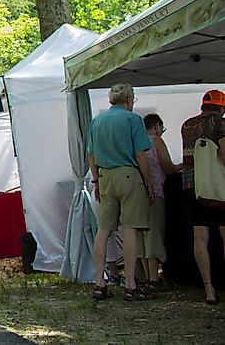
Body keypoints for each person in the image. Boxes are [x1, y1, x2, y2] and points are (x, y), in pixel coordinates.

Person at [88, 83, 155, 302]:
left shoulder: (97, 121)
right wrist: (148, 183)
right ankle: (130, 284)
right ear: (128, 99)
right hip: (128, 176)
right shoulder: (132, 119)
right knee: (130, 229)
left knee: (104, 230)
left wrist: (97, 181)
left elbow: (91, 155)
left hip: (105, 177)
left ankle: (99, 283)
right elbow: (140, 154)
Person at [180, 89, 225, 305]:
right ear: (221, 108)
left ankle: (208, 288)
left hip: (192, 186)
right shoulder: (219, 124)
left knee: (200, 237)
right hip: (218, 188)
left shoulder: (187, 125)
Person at [141, 114, 180, 285]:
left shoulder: (137, 142)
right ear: (157, 126)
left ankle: (144, 275)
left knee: (141, 234)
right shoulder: (155, 141)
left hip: (138, 192)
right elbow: (167, 166)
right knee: (154, 233)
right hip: (155, 191)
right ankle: (154, 277)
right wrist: (179, 167)